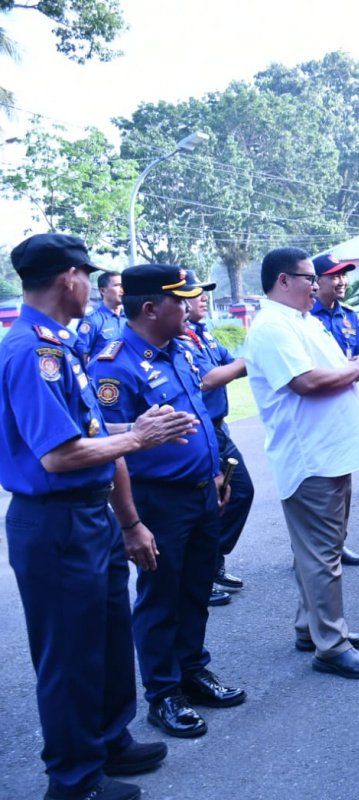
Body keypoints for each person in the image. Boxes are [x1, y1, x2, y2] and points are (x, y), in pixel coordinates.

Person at [2, 234, 198, 800]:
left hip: (91, 517)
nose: (94, 286)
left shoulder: (59, 346)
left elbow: (84, 433)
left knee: (109, 639)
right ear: (69, 278)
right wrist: (137, 437)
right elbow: (59, 455)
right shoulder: (31, 351)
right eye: (87, 276)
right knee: (69, 654)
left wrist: (139, 429)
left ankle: (109, 741)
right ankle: (73, 779)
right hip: (56, 521)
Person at [90, 264, 246, 739]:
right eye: (181, 300)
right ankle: (164, 693)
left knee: (196, 589)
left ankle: (193, 672)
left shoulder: (179, 349)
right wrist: (131, 522)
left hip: (200, 491)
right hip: (156, 502)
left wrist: (216, 471)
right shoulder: (112, 366)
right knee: (160, 599)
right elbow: (114, 452)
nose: (190, 307)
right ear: (152, 307)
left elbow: (200, 416)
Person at [243, 247, 359, 678]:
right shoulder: (272, 326)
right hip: (311, 459)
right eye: (308, 278)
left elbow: (331, 370)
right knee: (324, 555)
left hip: (330, 454)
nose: (317, 284)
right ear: (283, 280)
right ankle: (332, 643)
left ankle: (313, 627)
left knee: (318, 551)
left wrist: (358, 367)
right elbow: (305, 382)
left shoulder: (303, 321)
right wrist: (358, 367)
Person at [174, 271, 257, 603]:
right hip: (200, 429)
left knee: (231, 495)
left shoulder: (202, 335)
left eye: (204, 293)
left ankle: (210, 563)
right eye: (195, 295)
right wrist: (250, 360)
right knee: (231, 495)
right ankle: (201, 569)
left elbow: (230, 365)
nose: (203, 298)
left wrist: (245, 362)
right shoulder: (178, 342)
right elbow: (209, 378)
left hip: (217, 426)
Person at [306, 253, 359, 566]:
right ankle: (306, 551)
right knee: (318, 482)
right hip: (318, 409)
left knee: (344, 480)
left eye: (344, 275)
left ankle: (337, 542)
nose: (341, 281)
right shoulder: (306, 320)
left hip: (347, 404)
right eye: (333, 276)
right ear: (315, 282)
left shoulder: (348, 316)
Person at [76, 270, 126, 365]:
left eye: (123, 286)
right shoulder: (92, 319)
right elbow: (81, 355)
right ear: (103, 290)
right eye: (117, 285)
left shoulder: (130, 317)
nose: (122, 290)